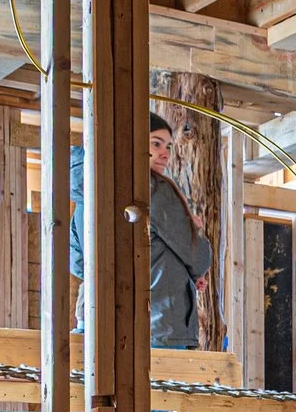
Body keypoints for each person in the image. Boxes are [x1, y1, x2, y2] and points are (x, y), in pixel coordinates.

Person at [68, 114, 215, 348]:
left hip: (98, 321)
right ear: (131, 140)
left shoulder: (89, 194)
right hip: (156, 326)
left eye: (167, 146)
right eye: (156, 143)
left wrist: (179, 272)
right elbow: (197, 256)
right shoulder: (152, 189)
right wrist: (193, 231)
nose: (165, 153)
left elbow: (78, 263)